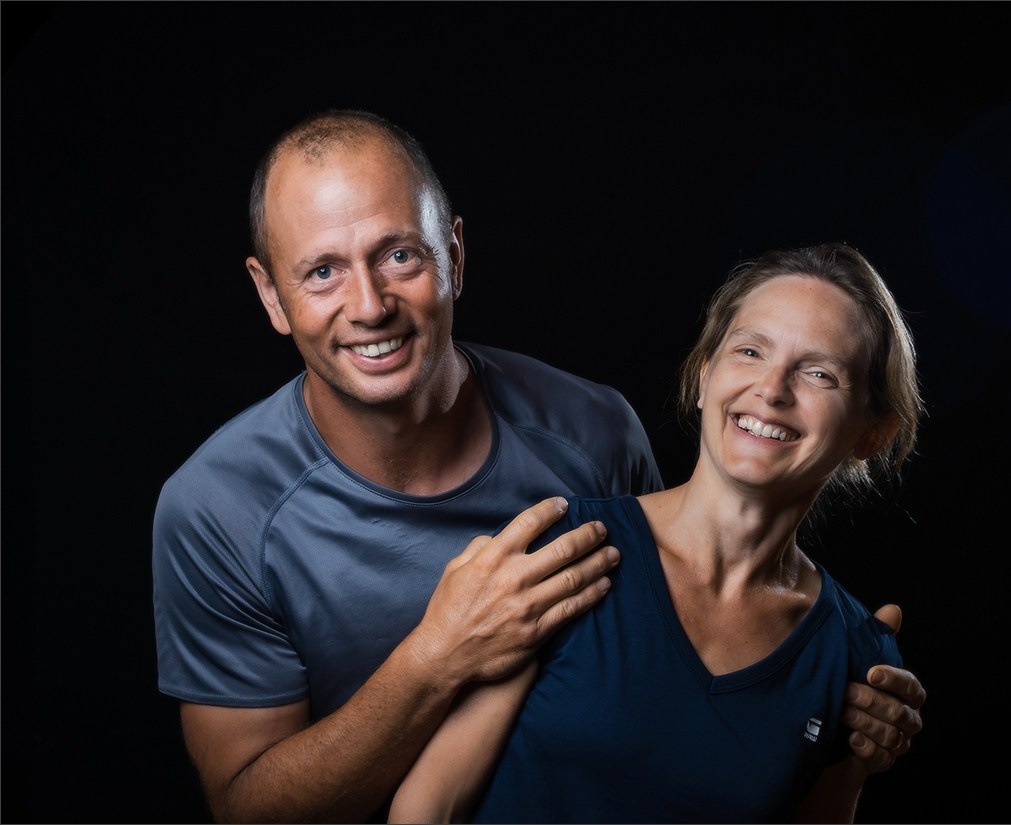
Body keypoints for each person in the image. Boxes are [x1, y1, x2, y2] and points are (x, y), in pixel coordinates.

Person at [151, 110, 926, 823]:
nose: (368, 304)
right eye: (321, 271)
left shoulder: (590, 439)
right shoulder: (218, 507)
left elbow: (668, 660)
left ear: (453, 255)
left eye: (398, 254)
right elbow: (248, 809)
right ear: (272, 295)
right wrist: (435, 658)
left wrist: (833, 714)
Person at [389, 242, 924, 824]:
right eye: (749, 351)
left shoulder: (855, 659)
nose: (772, 390)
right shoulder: (566, 550)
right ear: (703, 377)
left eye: (819, 373)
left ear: (873, 434)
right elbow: (428, 807)